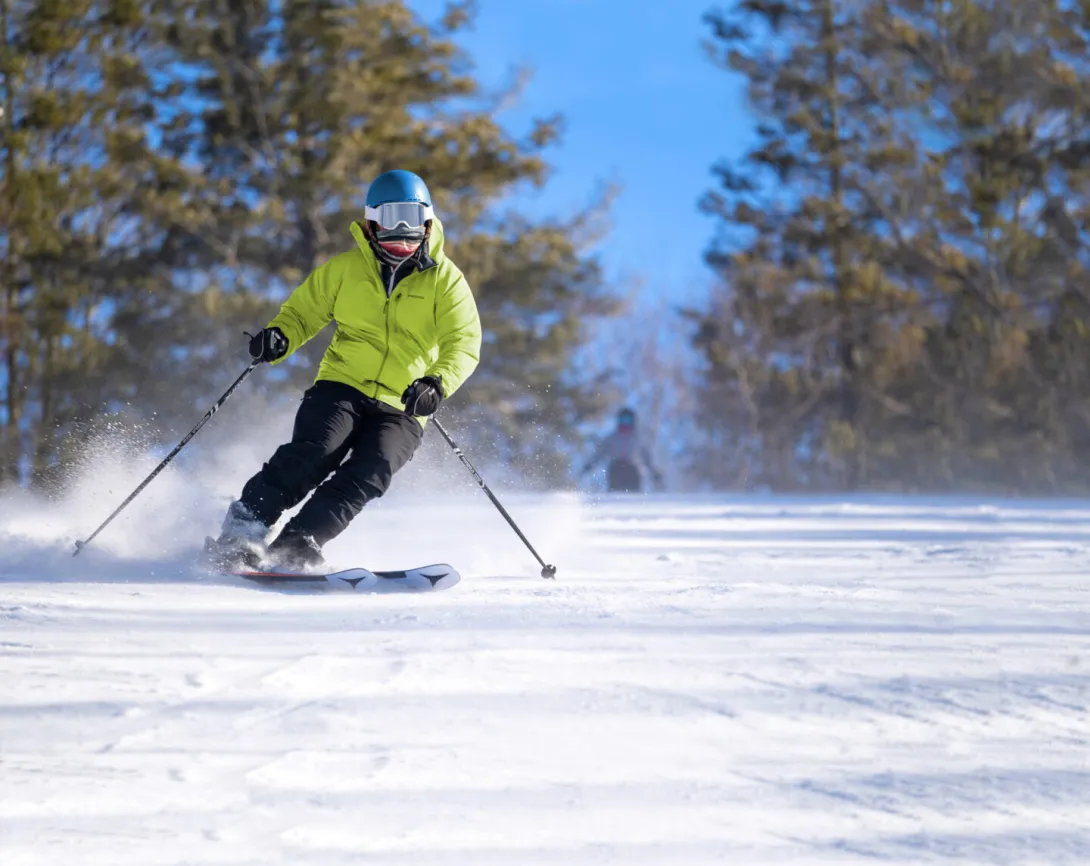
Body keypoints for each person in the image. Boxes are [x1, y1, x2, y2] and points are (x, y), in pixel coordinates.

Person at [206, 169, 482, 570]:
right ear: (370, 223)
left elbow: (464, 342)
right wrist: (279, 337)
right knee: (315, 452)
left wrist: (436, 383)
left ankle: (299, 543)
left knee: (373, 469)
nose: (402, 231)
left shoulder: (446, 281)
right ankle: (243, 530)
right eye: (391, 219)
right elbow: (303, 313)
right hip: (343, 385)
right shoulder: (346, 270)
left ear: (427, 221)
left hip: (405, 401)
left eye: (411, 217)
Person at [580, 407, 663, 493]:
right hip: (616, 470)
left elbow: (647, 458)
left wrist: (654, 473)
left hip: (632, 472)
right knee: (615, 489)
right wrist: (589, 465)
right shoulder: (611, 438)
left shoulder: (638, 440)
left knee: (632, 492)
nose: (625, 423)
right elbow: (599, 454)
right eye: (623, 420)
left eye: (628, 420)